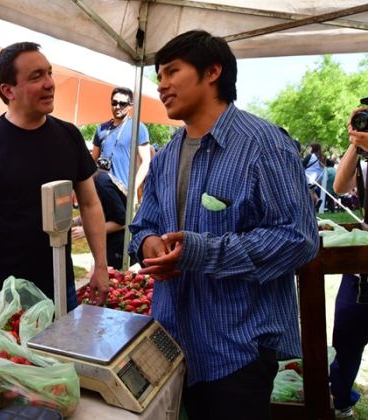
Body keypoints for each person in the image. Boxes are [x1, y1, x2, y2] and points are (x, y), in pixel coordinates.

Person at [128, 30, 319, 420]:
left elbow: (298, 238)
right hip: (173, 339)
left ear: (212, 71)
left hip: (237, 346)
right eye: (159, 75)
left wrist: (203, 252)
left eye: (171, 72)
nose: (161, 85)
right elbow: (143, 224)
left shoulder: (264, 144)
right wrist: (148, 242)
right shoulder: (166, 156)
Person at [0, 41, 109, 315]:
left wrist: (101, 266)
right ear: (8, 90)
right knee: (11, 359)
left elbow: (90, 205)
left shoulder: (69, 136)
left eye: (49, 73)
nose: (50, 83)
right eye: (37, 76)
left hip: (60, 282)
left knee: (61, 357)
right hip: (3, 291)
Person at [329, 108, 368, 418]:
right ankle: (341, 399)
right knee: (345, 343)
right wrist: (355, 143)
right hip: (360, 272)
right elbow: (340, 186)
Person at [91, 86, 151, 202]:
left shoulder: (138, 127)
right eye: (114, 103)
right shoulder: (101, 129)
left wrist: (133, 188)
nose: (117, 107)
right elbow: (93, 159)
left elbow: (146, 162)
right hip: (100, 191)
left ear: (130, 106)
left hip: (123, 193)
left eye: (122, 103)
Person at [72, 171, 126, 268]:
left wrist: (86, 231)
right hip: (110, 241)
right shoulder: (97, 179)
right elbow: (104, 213)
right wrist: (75, 221)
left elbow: (123, 222)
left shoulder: (103, 186)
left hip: (119, 245)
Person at [304, 142, 327, 209]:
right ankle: (317, 199)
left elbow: (302, 165)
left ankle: (310, 205)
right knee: (312, 190)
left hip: (309, 176)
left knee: (308, 191)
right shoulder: (322, 157)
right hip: (318, 178)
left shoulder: (311, 156)